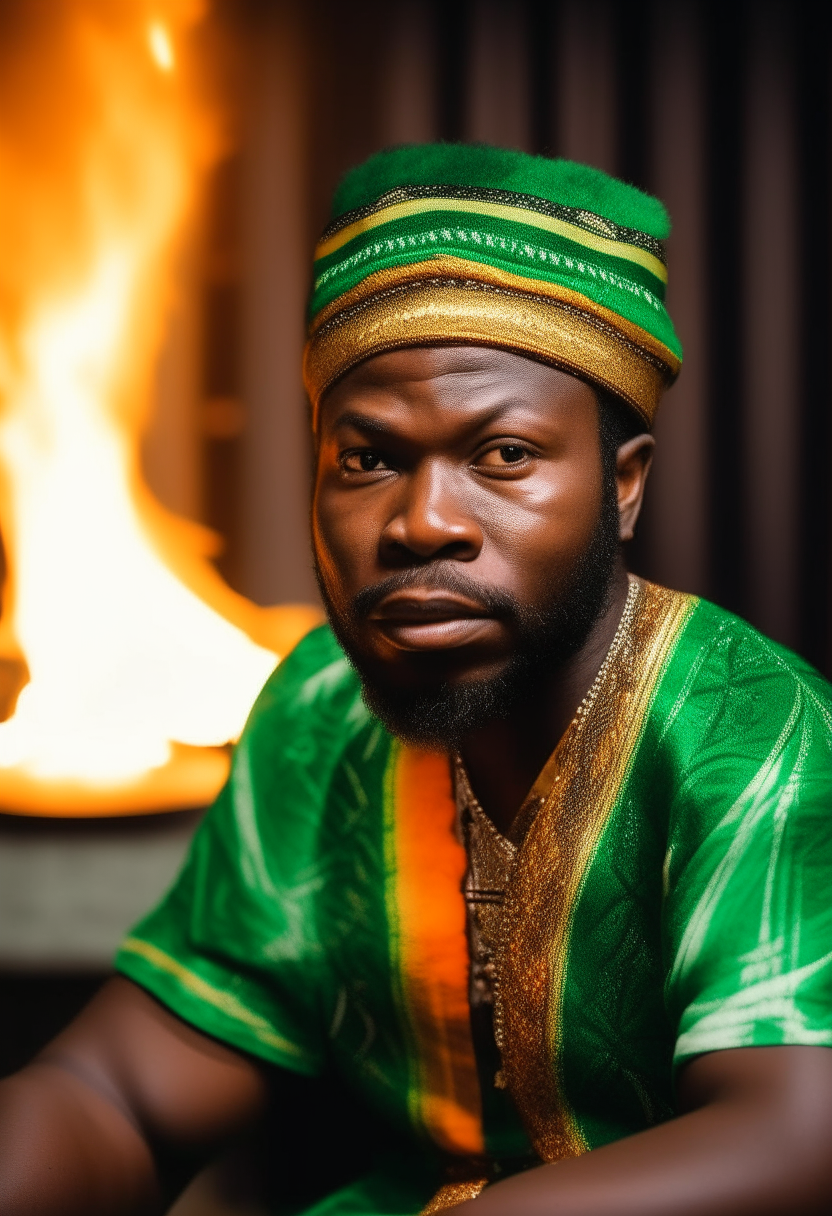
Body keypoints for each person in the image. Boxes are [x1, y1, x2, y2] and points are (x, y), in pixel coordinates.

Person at [1, 144, 831, 1216]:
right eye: (368, 459)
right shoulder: (322, 709)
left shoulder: (752, 733)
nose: (422, 521)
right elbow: (119, 1091)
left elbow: (795, 1133)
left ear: (622, 487)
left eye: (503, 456)